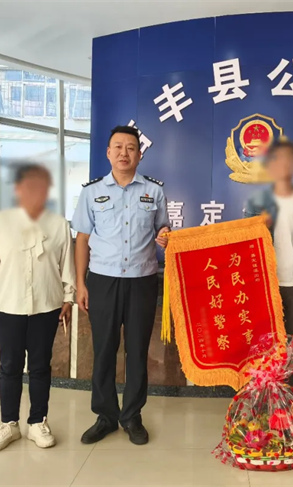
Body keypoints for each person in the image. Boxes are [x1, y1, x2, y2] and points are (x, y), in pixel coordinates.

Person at [72, 125, 170, 446]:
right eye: (118, 147)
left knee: (137, 351)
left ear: (140, 154)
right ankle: (105, 416)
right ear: (108, 153)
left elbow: (163, 229)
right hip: (103, 280)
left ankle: (132, 416)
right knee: (104, 350)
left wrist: (165, 235)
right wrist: (80, 283)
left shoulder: (154, 191)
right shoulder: (91, 192)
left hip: (142, 281)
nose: (124, 153)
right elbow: (82, 240)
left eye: (130, 148)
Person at [0, 164, 76, 453]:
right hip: (8, 304)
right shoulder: (0, 223)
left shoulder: (58, 224)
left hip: (47, 305)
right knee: (9, 366)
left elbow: (66, 265)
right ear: (17, 189)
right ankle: (9, 424)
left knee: (41, 365)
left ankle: (37, 423)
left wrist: (68, 298)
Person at [243, 138, 293, 390]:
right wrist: (259, 227)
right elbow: (246, 245)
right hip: (266, 286)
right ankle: (265, 400)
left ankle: (290, 401)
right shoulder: (256, 203)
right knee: (265, 348)